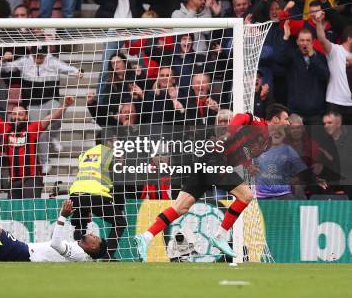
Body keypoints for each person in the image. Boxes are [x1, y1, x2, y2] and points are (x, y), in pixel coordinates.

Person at [135, 105, 291, 261]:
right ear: (275, 120)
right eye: (286, 119)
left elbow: (243, 153)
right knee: (246, 196)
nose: (288, 123)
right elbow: (242, 117)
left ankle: (146, 236)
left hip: (211, 163)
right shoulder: (260, 125)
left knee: (181, 207)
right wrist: (228, 133)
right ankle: (220, 236)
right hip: (215, 159)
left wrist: (248, 165)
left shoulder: (267, 143)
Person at [69, 144, 127, 259]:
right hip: (96, 194)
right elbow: (119, 183)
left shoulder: (86, 153)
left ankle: (77, 253)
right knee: (120, 222)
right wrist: (120, 208)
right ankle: (107, 257)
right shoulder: (112, 155)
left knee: (80, 224)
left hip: (75, 194)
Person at [315, 16, 352, 124]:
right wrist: (318, 23)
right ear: (350, 39)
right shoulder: (335, 50)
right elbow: (322, 39)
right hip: (335, 103)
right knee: (332, 138)